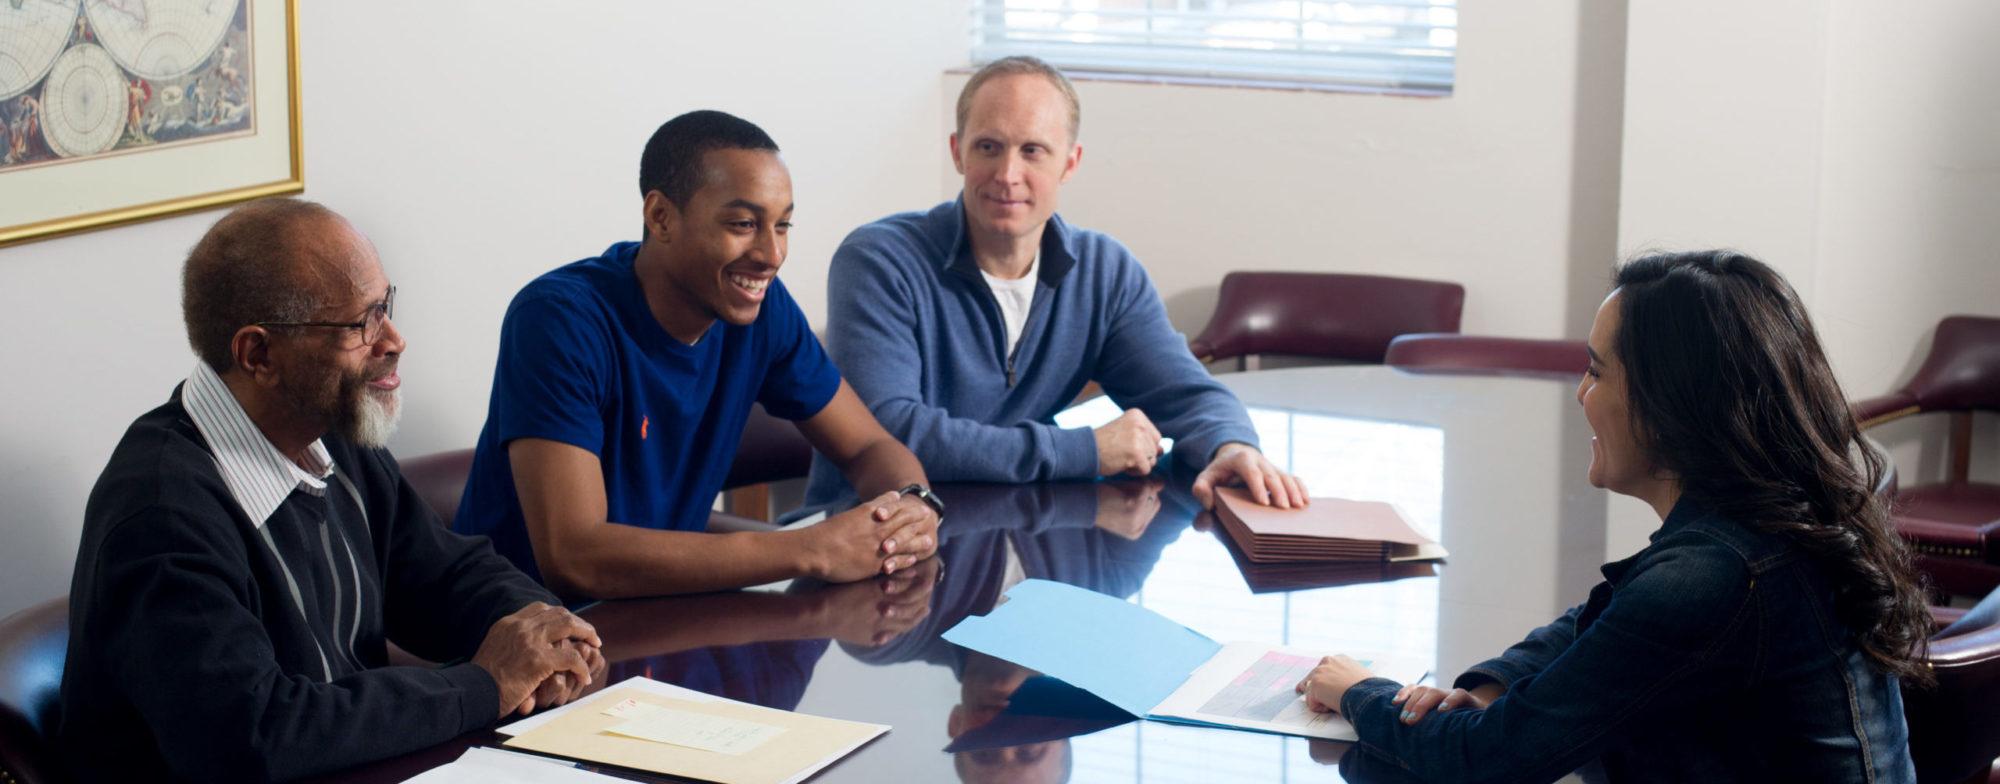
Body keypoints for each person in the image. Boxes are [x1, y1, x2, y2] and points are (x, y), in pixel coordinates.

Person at [1297, 251, 1928, 782]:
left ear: (1671, 402)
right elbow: (1608, 620)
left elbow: (1486, 762)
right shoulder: (1774, 515)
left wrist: (1359, 691)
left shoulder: (1720, 576)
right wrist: (1493, 685)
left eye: (1597, 371)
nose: (1580, 393)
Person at [59, 199, 605, 782]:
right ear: (259, 354)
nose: (393, 339)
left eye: (385, 306)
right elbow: (253, 735)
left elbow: (444, 576)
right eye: (360, 323)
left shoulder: (333, 434)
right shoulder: (161, 513)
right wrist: (485, 685)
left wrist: (547, 635)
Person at [453, 110, 941, 600]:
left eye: (783, 225)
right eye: (744, 223)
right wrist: (809, 549)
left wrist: (912, 504)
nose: (772, 254)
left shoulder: (763, 310)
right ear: (661, 217)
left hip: (660, 617)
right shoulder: (558, 320)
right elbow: (575, 558)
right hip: (526, 636)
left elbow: (867, 447)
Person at [804, 56, 1305, 513]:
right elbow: (891, 436)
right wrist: (1084, 449)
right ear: (958, 153)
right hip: (876, 545)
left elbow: (1186, 394)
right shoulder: (878, 260)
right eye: (988, 147)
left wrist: (1232, 446)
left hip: (1020, 534)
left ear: (1070, 162)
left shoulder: (1105, 272)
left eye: (1033, 151)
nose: (1007, 174)